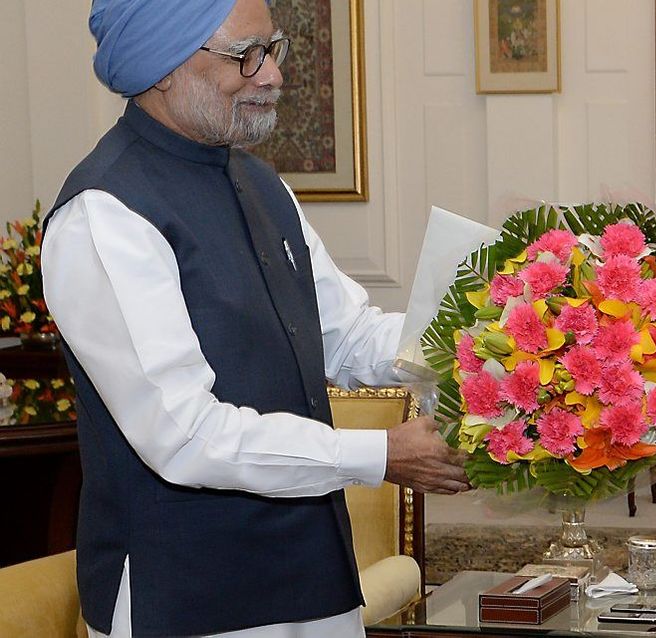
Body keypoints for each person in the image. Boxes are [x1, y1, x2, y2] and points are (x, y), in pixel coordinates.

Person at [40, 1, 470, 636]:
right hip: (188, 594)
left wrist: (491, 335)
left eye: (273, 50)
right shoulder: (104, 213)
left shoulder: (263, 184)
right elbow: (185, 436)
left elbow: (346, 335)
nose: (271, 75)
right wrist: (379, 454)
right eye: (246, 56)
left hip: (314, 578)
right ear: (164, 67)